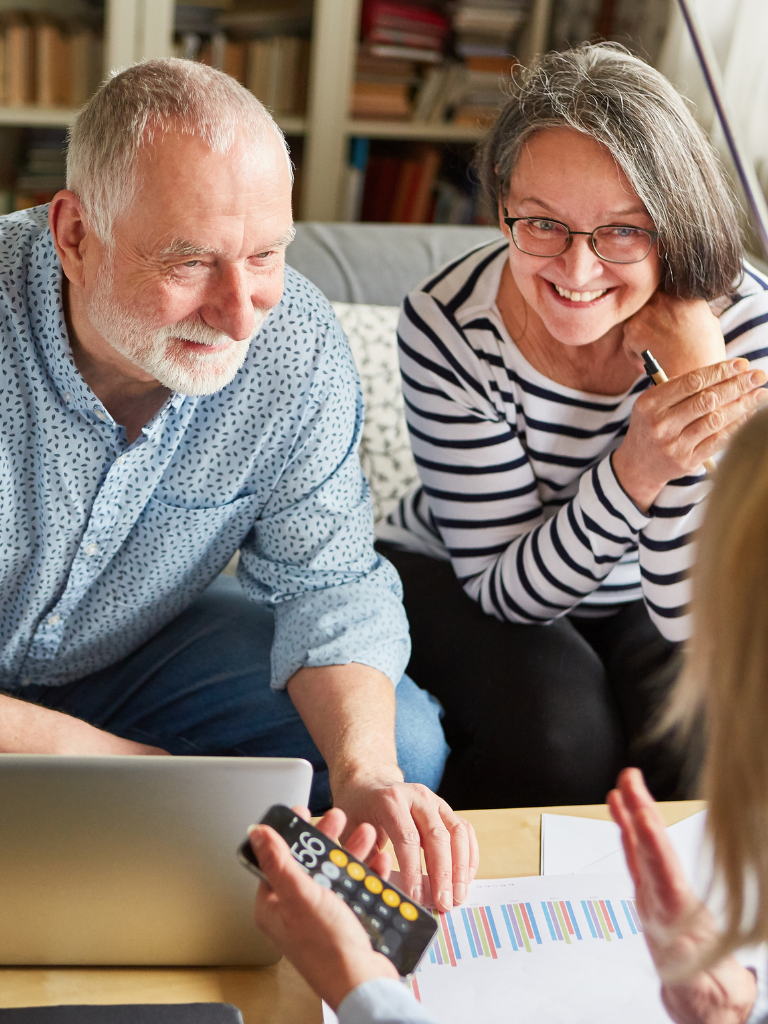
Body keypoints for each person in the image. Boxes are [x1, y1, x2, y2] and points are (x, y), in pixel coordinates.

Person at [0, 58, 478, 913]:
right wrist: (136, 773)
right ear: (74, 236)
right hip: (84, 705)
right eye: (191, 263)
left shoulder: (293, 345)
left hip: (130, 647)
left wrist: (364, 774)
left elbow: (328, 580)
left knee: (401, 740)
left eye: (265, 255)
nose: (241, 310)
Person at [249, 406, 768, 1024]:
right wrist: (735, 1007)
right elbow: (513, 591)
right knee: (558, 735)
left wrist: (360, 987)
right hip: (488, 580)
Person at [376, 42, 768, 810]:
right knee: (563, 742)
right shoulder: (447, 324)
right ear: (501, 209)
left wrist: (690, 391)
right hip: (463, 574)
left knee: (703, 739)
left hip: (644, 592)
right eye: (543, 224)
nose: (576, 271)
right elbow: (505, 590)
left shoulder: (749, 325)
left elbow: (692, 616)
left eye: (623, 231)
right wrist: (638, 469)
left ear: (674, 222)